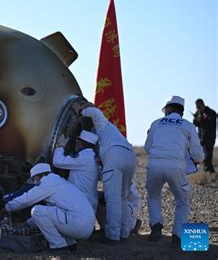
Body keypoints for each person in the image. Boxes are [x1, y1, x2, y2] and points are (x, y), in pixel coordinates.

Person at [144, 96, 204, 247]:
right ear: (181, 111)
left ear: (168, 109)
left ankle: (156, 227)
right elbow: (198, 154)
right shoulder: (188, 126)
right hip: (176, 167)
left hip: (154, 165)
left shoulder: (156, 123)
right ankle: (177, 235)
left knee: (153, 196)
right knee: (182, 201)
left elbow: (147, 148)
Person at [3, 163, 95, 252]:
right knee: (54, 213)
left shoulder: (47, 182)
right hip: (84, 226)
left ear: (40, 175)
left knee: (37, 211)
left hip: (79, 225)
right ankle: (70, 244)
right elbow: (51, 215)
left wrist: (7, 207)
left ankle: (58, 246)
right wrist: (27, 223)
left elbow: (26, 199)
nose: (35, 182)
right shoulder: (58, 182)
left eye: (34, 178)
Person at [80, 104, 137, 243]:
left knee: (113, 198)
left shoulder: (102, 125)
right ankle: (124, 232)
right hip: (131, 156)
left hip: (114, 154)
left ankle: (112, 235)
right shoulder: (111, 133)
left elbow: (95, 112)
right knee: (123, 197)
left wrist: (81, 110)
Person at [52, 130, 100, 213]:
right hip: (87, 202)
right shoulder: (91, 156)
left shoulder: (84, 157)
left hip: (82, 204)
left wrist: (60, 146)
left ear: (81, 143)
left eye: (77, 141)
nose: (76, 144)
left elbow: (57, 161)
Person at [193, 99, 216, 173]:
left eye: (199, 107)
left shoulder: (211, 112)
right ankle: (209, 172)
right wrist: (196, 119)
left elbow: (210, 124)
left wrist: (201, 120)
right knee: (202, 155)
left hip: (209, 137)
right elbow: (196, 123)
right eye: (197, 107)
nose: (198, 109)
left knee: (208, 156)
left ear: (202, 104)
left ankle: (209, 172)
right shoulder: (198, 112)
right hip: (201, 137)